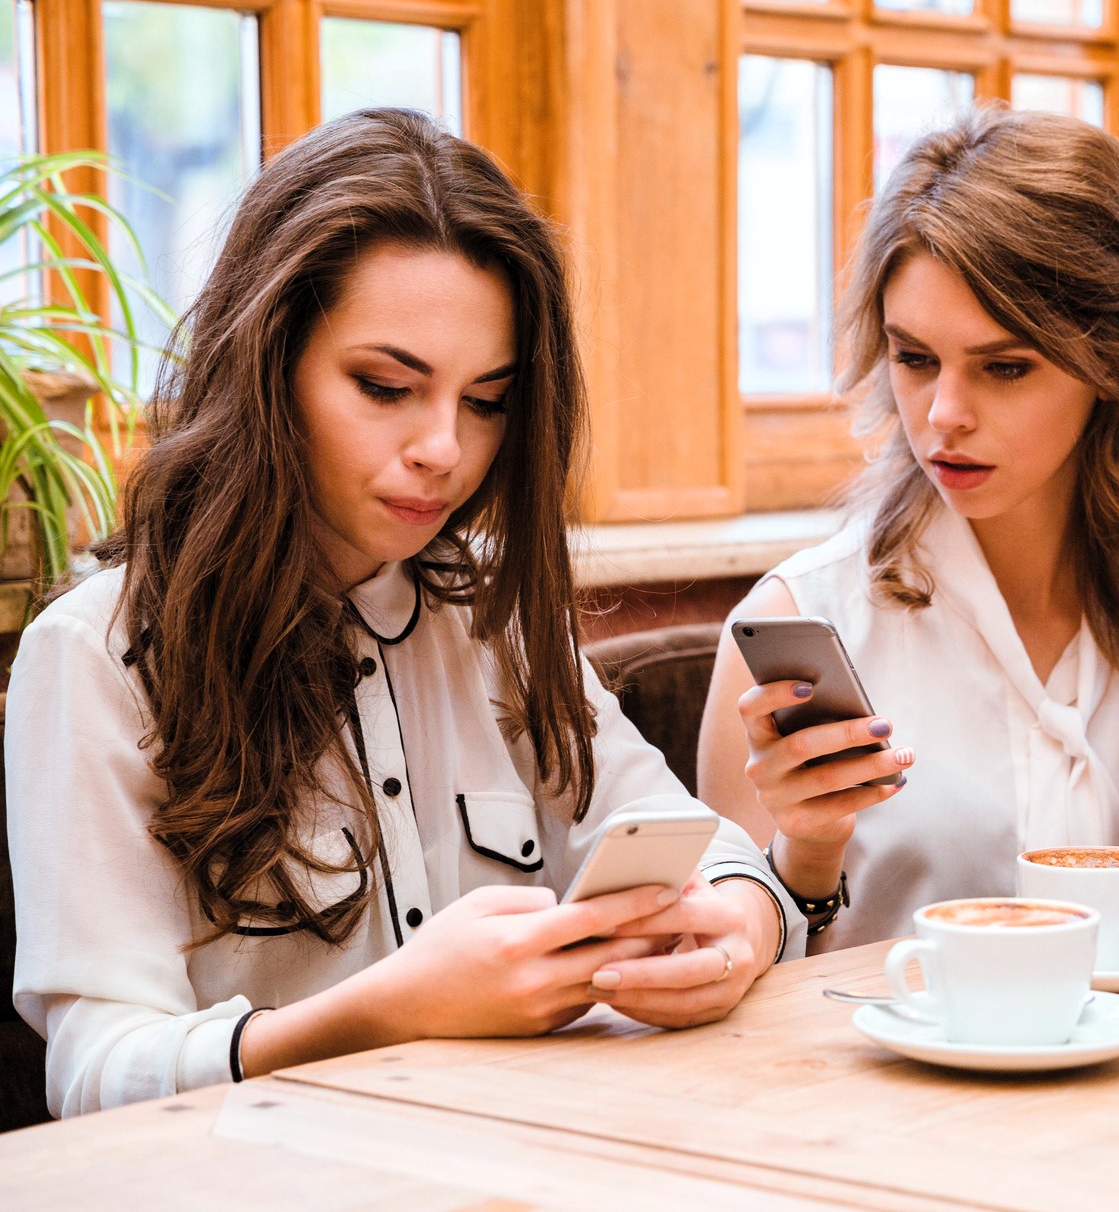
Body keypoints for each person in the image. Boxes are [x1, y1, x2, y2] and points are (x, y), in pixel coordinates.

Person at [5, 109, 802, 1118]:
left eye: (486, 400)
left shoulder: (496, 619)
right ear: (267, 362)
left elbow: (702, 845)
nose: (443, 449)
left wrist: (739, 928)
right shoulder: (95, 655)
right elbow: (92, 1075)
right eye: (386, 386)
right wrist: (390, 1009)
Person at [699, 106, 1119, 950]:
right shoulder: (804, 619)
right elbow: (730, 959)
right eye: (914, 357)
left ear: (1111, 363)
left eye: (1004, 367)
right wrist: (807, 850)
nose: (943, 415)